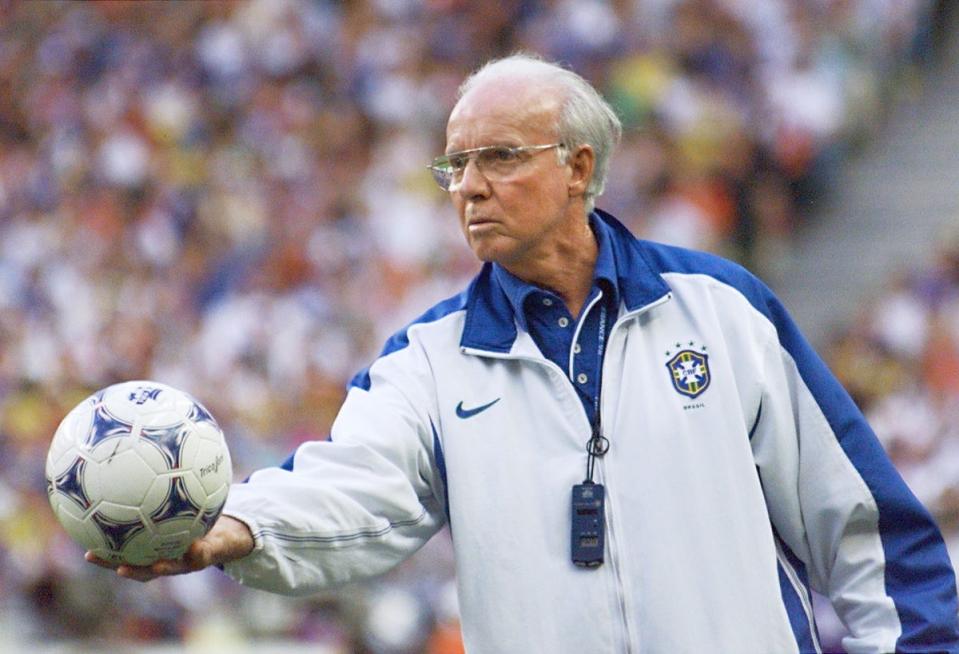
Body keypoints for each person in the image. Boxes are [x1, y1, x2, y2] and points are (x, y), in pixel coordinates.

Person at [88, 53, 959, 653]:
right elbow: (354, 485)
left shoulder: (724, 311)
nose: (467, 185)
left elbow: (865, 528)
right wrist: (239, 527)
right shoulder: (425, 361)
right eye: (455, 165)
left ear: (579, 167)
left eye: (498, 157)